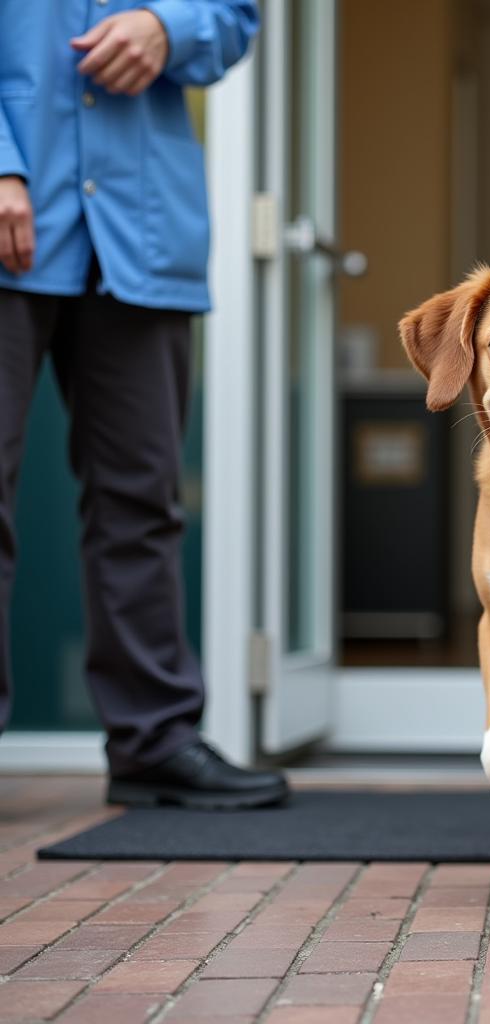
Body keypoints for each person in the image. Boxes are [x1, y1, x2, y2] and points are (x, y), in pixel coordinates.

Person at [0, 2, 288, 809]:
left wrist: (171, 28)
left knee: (142, 500)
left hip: (140, 230)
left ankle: (153, 741)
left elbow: (233, 15)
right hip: (13, 206)